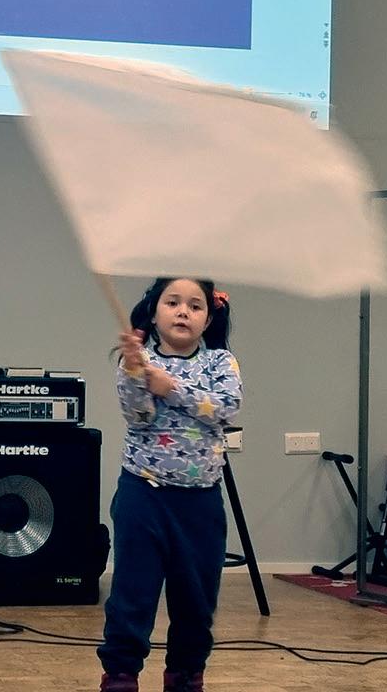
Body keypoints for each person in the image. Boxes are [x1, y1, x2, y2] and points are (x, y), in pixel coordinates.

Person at [99, 277, 242, 692]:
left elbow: (226, 408)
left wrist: (171, 387)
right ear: (155, 312)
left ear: (208, 319)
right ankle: (121, 674)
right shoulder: (139, 360)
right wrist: (134, 373)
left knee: (196, 600)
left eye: (195, 306)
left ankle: (185, 674)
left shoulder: (220, 362)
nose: (183, 311)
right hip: (143, 495)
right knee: (132, 593)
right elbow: (139, 416)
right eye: (173, 302)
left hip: (200, 504)